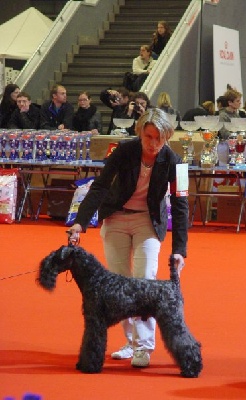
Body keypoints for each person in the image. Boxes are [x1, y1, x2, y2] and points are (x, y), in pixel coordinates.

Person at [68, 108, 188, 368]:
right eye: (148, 136)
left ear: (167, 137)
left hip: (148, 221)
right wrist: (79, 222)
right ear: (140, 133)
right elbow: (100, 186)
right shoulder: (123, 151)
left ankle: (143, 347)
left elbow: (181, 205)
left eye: (159, 138)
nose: (153, 143)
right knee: (119, 285)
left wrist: (180, 250)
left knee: (145, 280)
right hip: (117, 219)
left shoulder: (177, 162)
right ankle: (129, 342)